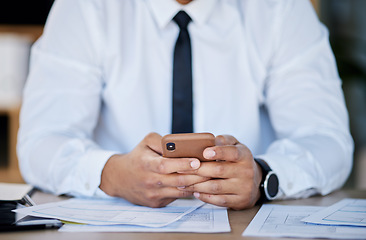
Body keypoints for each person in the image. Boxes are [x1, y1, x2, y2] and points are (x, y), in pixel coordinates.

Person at [17, 0, 353, 210]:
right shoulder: (84, 8)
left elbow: (328, 141)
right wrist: (112, 175)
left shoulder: (281, 8)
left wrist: (261, 175)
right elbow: (41, 141)